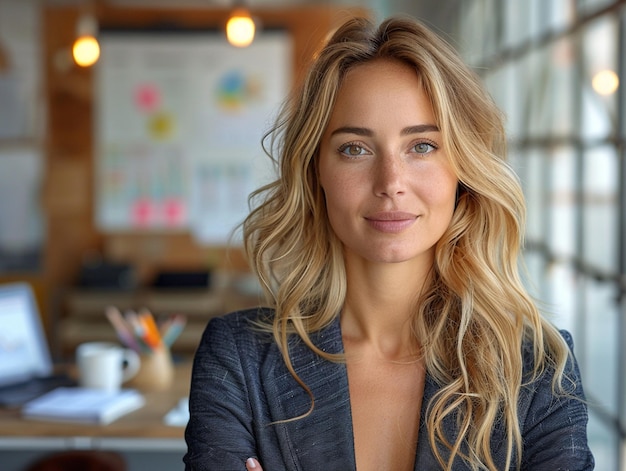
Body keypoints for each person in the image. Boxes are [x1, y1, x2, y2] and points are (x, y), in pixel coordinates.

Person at [183, 14, 595, 471]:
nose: (391, 182)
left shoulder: (538, 368)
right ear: (314, 170)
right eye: (355, 148)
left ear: (463, 169)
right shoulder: (238, 359)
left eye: (421, 146)